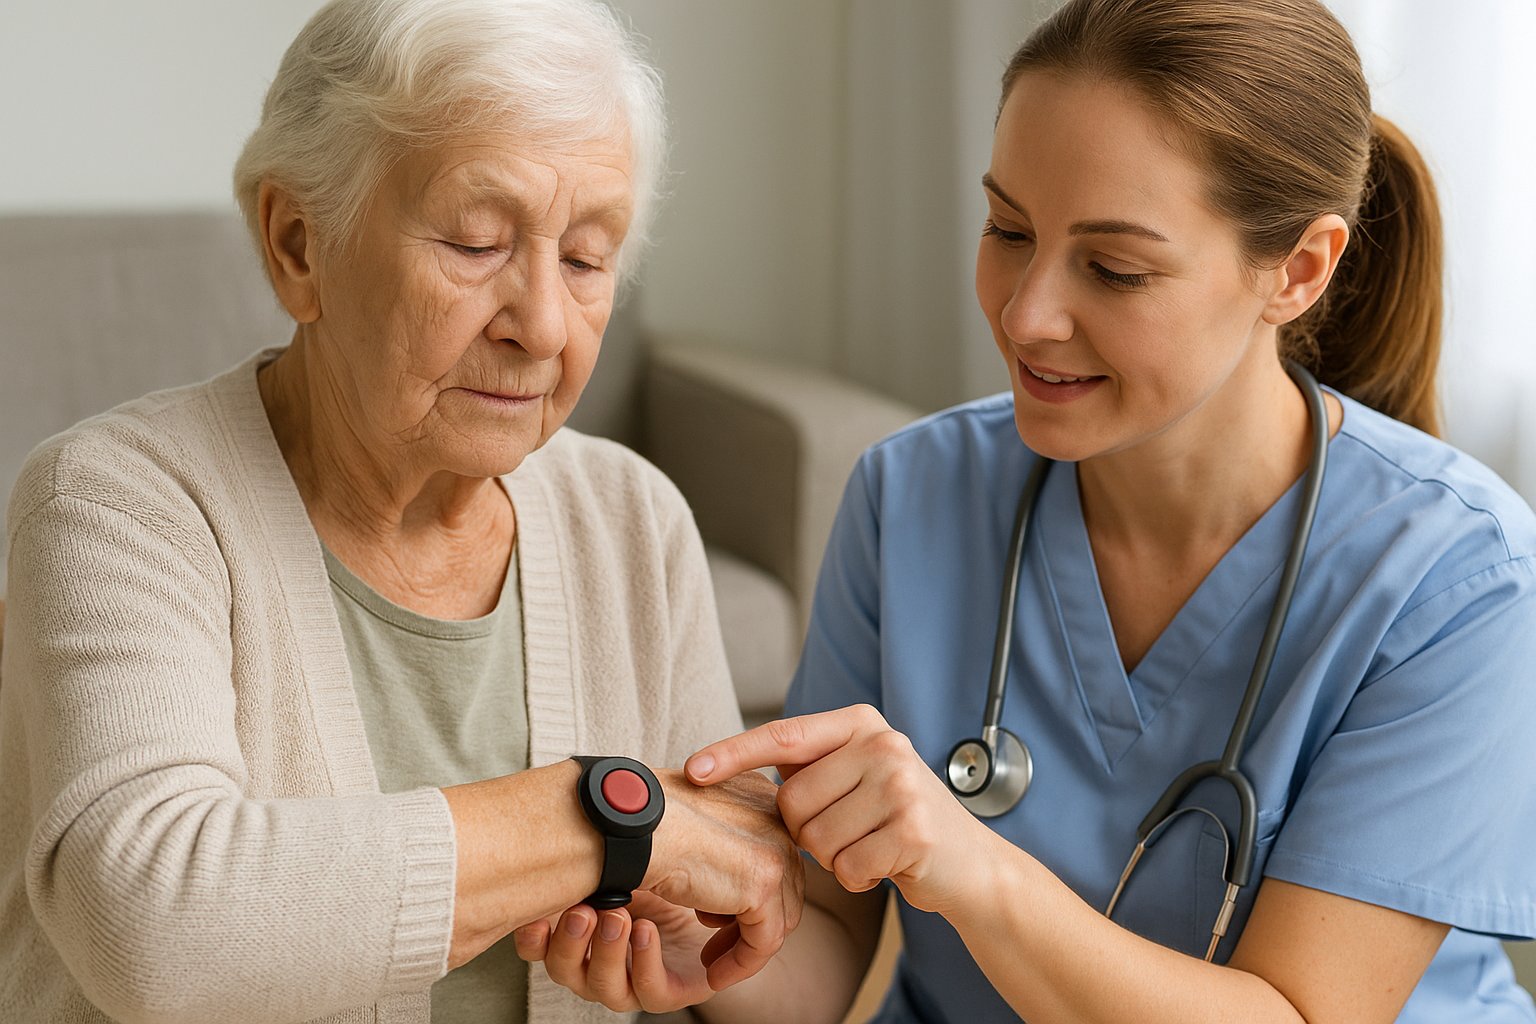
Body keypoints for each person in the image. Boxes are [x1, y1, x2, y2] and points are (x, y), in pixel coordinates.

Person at [517, 0, 1536, 1021]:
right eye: (1008, 229)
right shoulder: (912, 496)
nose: (1025, 314)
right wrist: (709, 944)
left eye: (1115, 269)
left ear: (1300, 271)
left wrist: (969, 865)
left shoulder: (1459, 581)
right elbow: (821, 946)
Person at [0, 2, 804, 1022]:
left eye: (586, 259)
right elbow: (154, 926)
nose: (542, 324)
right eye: (475, 242)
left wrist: (711, 927)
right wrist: (600, 819)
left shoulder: (632, 520)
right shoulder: (117, 502)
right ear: (298, 245)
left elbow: (729, 908)